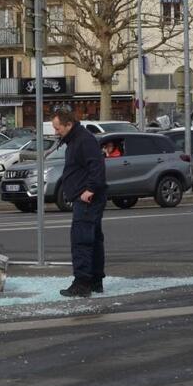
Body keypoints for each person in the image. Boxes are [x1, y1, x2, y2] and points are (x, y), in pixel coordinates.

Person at [51, 109, 108, 297]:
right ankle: (95, 281)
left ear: (69, 125)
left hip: (87, 199)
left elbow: (97, 166)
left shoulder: (84, 140)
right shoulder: (77, 139)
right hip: (86, 197)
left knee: (81, 240)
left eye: (57, 128)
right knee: (93, 240)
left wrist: (89, 190)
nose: (55, 132)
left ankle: (82, 283)